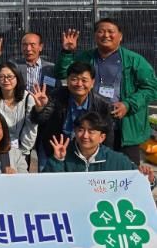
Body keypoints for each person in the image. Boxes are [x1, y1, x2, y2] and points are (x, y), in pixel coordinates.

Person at [57, 18, 157, 166]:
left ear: (120, 36)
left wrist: (128, 104)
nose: (106, 35)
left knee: (127, 171)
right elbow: (62, 73)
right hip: (92, 128)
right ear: (95, 35)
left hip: (125, 129)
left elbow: (152, 88)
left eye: (111, 32)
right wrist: (67, 52)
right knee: (94, 170)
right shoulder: (86, 58)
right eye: (101, 31)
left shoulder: (134, 60)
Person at [30, 61, 115, 171]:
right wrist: (40, 108)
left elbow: (107, 137)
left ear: (92, 83)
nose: (79, 84)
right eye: (74, 79)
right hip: (53, 149)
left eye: (84, 80)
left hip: (85, 153)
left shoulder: (103, 105)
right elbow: (38, 119)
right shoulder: (56, 96)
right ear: (68, 80)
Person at [44, 112, 155, 186]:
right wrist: (57, 160)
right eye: (81, 130)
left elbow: (139, 185)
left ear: (102, 137)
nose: (85, 136)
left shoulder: (116, 160)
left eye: (91, 131)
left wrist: (149, 179)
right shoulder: (64, 155)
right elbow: (46, 185)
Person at [0, 62, 38, 163]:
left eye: (10, 76)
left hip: (22, 151)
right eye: (1, 77)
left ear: (17, 78)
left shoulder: (28, 98)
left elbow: (31, 127)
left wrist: (23, 151)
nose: (6, 80)